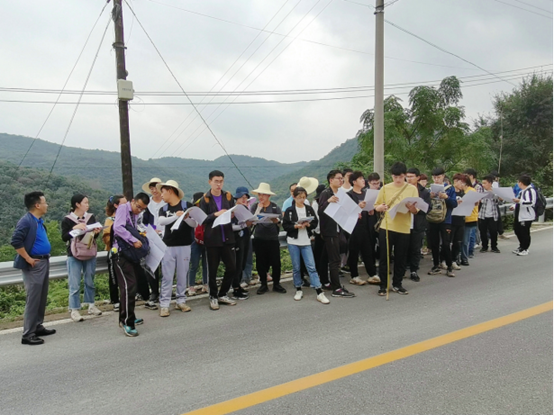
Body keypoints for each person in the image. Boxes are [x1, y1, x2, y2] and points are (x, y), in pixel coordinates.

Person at [12, 191, 55, 345]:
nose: (46, 205)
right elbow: (16, 241)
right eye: (44, 202)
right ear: (37, 205)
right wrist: (28, 258)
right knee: (33, 298)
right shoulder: (26, 221)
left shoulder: (38, 221)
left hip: (43, 261)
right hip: (34, 264)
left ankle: (37, 326)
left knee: (41, 297)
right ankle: (28, 334)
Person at [374, 162, 419, 295]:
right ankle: (383, 285)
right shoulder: (385, 188)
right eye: (395, 177)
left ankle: (397, 284)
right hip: (387, 226)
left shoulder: (412, 189)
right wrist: (380, 207)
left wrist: (411, 208)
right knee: (384, 257)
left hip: (404, 227)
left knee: (401, 257)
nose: (398, 180)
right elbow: (376, 206)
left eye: (400, 177)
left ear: (405, 176)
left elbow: (416, 210)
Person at [111, 192, 150, 337]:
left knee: (131, 286)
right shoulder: (123, 208)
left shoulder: (134, 214)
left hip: (130, 254)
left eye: (142, 209)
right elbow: (118, 228)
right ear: (133, 201)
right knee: (129, 286)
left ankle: (128, 317)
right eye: (138, 206)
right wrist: (133, 240)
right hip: (121, 254)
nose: (139, 210)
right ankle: (127, 322)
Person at [283, 186, 330, 304]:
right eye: (299, 197)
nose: (302, 200)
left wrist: (309, 225)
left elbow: (315, 222)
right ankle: (298, 288)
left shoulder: (308, 209)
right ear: (294, 197)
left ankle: (319, 291)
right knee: (296, 267)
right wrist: (295, 226)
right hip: (293, 241)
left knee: (311, 266)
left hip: (306, 241)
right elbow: (285, 225)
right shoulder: (290, 210)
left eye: (304, 197)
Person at [199, 170, 237, 310]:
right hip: (212, 239)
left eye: (221, 181)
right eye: (216, 181)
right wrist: (215, 214)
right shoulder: (205, 199)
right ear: (210, 182)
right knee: (213, 270)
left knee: (232, 267)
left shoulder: (228, 196)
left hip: (227, 237)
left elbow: (232, 213)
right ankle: (213, 296)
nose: (219, 184)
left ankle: (223, 293)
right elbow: (202, 219)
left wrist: (232, 215)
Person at [61, 194, 102, 322]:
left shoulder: (90, 217)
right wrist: (74, 228)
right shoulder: (67, 219)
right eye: (85, 202)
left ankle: (91, 305)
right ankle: (74, 309)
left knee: (90, 280)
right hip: (74, 254)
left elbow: (93, 237)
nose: (87, 205)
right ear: (77, 204)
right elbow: (64, 237)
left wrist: (96, 232)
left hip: (89, 251)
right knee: (74, 283)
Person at [157, 180, 195, 317]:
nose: (161, 195)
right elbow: (161, 221)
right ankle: (164, 304)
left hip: (185, 245)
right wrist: (176, 216)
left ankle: (181, 300)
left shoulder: (187, 206)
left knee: (182, 275)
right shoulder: (164, 209)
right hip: (168, 246)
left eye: (163, 192)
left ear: (170, 191)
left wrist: (185, 218)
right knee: (167, 276)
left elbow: (195, 223)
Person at [318, 170, 355, 298]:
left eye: (341, 178)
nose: (341, 180)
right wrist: (328, 201)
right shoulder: (326, 193)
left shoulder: (341, 193)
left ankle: (324, 282)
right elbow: (320, 212)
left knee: (325, 258)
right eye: (338, 178)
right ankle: (337, 288)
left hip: (339, 229)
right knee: (334, 260)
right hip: (330, 231)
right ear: (331, 180)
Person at [251, 182, 286, 295]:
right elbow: (252, 221)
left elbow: (281, 222)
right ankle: (263, 284)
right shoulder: (255, 206)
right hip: (259, 238)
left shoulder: (275, 207)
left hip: (272, 238)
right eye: (259, 194)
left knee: (276, 262)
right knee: (261, 262)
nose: (261, 196)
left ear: (268, 196)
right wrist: (259, 209)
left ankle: (276, 284)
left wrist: (276, 221)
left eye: (263, 194)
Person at [346, 171, 378, 285]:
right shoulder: (349, 195)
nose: (363, 180)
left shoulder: (365, 193)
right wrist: (357, 207)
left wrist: (371, 210)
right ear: (354, 182)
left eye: (363, 178)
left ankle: (372, 274)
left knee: (368, 250)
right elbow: (347, 211)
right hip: (354, 227)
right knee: (354, 251)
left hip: (366, 225)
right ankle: (354, 275)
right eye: (360, 179)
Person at [427, 167, 457, 278]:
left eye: (438, 177)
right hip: (432, 219)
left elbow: (454, 204)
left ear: (443, 176)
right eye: (434, 177)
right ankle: (436, 265)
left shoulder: (450, 188)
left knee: (445, 243)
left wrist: (446, 197)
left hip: (445, 220)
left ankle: (449, 266)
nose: (436, 179)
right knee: (434, 243)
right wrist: (429, 197)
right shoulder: (429, 189)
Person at [140, 177, 166, 305]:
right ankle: (154, 292)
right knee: (152, 266)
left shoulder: (166, 203)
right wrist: (151, 229)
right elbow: (142, 222)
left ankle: (165, 291)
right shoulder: (147, 204)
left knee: (166, 266)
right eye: (152, 188)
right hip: (152, 237)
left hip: (166, 237)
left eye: (156, 187)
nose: (154, 190)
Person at [406, 168, 431, 282]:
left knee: (416, 248)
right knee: (403, 247)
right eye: (407, 176)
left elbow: (428, 208)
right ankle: (402, 269)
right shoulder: (403, 189)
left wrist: (416, 210)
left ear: (418, 177)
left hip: (418, 223)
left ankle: (414, 270)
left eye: (411, 176)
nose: (409, 179)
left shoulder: (424, 192)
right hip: (404, 222)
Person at [103, 194, 127, 311]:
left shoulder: (127, 217)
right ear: (116, 206)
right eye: (123, 204)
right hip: (114, 251)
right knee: (114, 277)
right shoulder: (109, 220)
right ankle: (115, 300)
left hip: (126, 251)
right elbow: (106, 238)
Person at [231, 186, 253, 300]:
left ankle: (238, 285)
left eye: (246, 197)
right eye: (242, 197)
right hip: (237, 239)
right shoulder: (233, 210)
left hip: (245, 237)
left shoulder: (246, 208)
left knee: (243, 262)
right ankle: (235, 288)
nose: (244, 199)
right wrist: (243, 225)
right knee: (238, 264)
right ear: (237, 198)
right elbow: (230, 226)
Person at [188, 192, 208, 296]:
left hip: (206, 241)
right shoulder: (192, 213)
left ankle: (206, 284)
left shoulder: (208, 211)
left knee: (206, 264)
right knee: (194, 264)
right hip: (195, 241)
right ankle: (191, 285)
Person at [511, 174, 536, 256]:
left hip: (527, 216)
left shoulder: (530, 191)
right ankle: (521, 246)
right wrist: (514, 206)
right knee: (517, 230)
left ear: (521, 183)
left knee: (525, 232)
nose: (518, 183)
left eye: (518, 182)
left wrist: (519, 201)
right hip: (519, 215)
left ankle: (525, 248)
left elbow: (531, 202)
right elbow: (518, 202)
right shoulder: (522, 191)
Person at [478, 175, 501, 254]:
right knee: (483, 231)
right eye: (482, 183)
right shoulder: (480, 191)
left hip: (493, 214)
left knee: (493, 231)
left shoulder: (495, 191)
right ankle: (484, 246)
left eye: (485, 183)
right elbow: (479, 201)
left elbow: (498, 201)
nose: (483, 185)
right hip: (482, 214)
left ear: (490, 183)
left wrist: (493, 194)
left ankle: (494, 246)